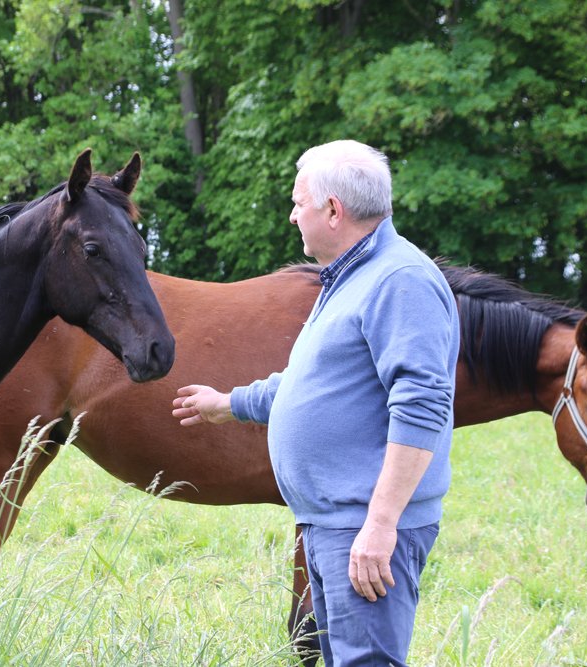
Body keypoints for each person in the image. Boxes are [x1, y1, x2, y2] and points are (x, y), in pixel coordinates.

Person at [172, 140, 459, 666]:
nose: (292, 215)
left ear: (333, 210)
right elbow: (311, 384)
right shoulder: (350, 277)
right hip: (334, 524)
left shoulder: (400, 281)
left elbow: (422, 405)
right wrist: (227, 403)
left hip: (364, 528)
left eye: (298, 202)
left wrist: (381, 525)